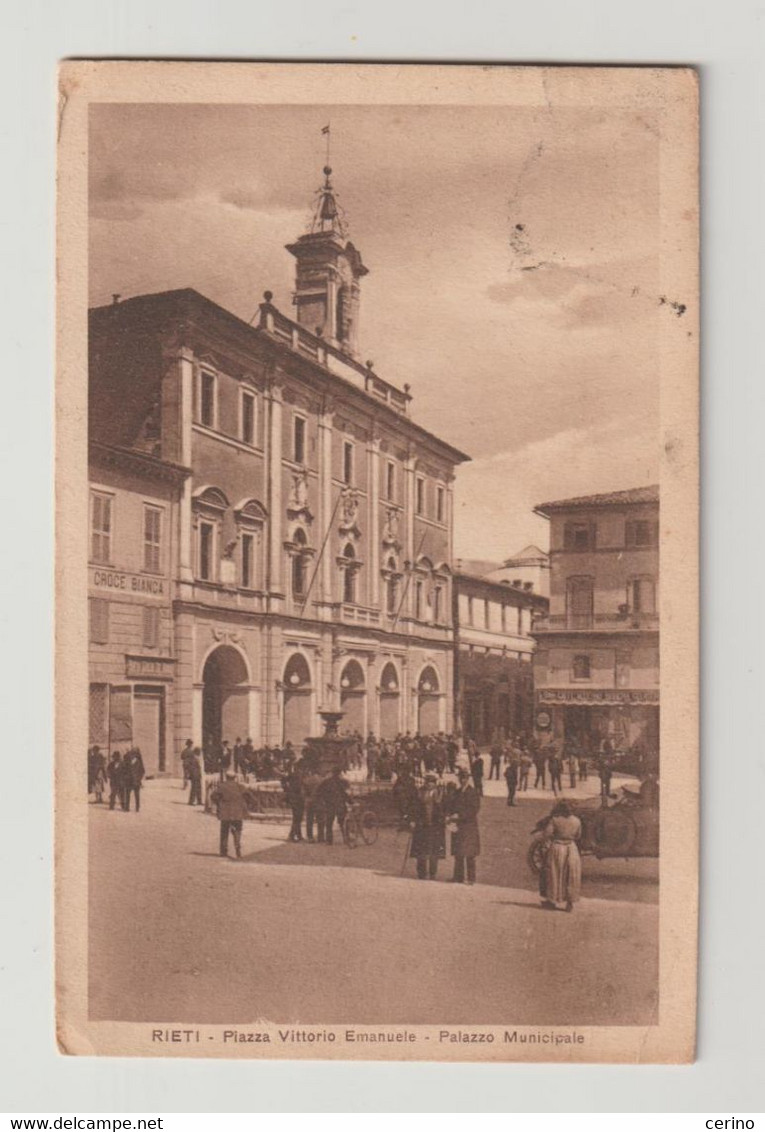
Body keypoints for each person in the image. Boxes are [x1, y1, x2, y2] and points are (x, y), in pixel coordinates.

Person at [539, 799, 582, 912]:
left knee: (554, 874)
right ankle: (570, 903)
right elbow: (578, 835)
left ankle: (552, 900)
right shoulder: (577, 821)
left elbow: (547, 834)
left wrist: (546, 846)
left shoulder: (555, 820)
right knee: (571, 876)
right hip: (571, 849)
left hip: (558, 848)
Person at [405, 772, 446, 880]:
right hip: (421, 825)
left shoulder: (439, 793)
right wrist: (412, 820)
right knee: (421, 850)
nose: (429, 784)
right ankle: (421, 872)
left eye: (432, 782)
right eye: (428, 782)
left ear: (435, 783)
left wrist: (443, 819)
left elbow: (444, 809)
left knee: (434, 850)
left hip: (435, 826)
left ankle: (433, 873)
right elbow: (414, 807)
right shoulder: (420, 793)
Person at [448, 767, 481, 884]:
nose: (462, 780)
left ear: (468, 779)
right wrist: (450, 815)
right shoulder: (457, 792)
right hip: (458, 826)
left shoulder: (472, 792)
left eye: (465, 778)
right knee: (458, 852)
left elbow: (474, 809)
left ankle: (471, 878)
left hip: (469, 826)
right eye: (461, 778)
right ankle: (458, 877)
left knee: (469, 853)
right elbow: (452, 806)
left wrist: (460, 816)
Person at [210, 772, 252, 858]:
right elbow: (249, 796)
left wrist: (219, 803)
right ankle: (237, 848)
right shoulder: (240, 787)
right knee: (237, 831)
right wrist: (244, 805)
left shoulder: (222, 786)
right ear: (235, 777)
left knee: (224, 831)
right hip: (237, 812)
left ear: (226, 777)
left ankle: (223, 851)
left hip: (225, 812)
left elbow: (213, 796)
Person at [315, 766, 350, 845]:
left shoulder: (326, 782)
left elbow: (318, 792)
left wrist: (323, 800)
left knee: (329, 823)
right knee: (343, 823)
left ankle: (329, 840)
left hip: (330, 805)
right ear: (339, 773)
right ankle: (346, 838)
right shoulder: (342, 782)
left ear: (332, 773)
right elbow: (344, 794)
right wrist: (350, 801)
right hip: (340, 805)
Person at [283, 766, 305, 842]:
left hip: (295, 799)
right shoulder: (297, 776)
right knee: (297, 818)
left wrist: (286, 789)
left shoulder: (293, 776)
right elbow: (299, 788)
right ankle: (291, 836)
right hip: (297, 799)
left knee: (298, 818)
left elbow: (283, 780)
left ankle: (298, 835)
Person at [122, 747, 145, 812]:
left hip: (136, 781)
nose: (132, 756)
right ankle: (127, 808)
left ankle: (137, 808)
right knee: (127, 794)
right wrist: (125, 776)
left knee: (137, 795)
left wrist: (139, 778)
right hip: (128, 780)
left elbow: (142, 771)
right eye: (131, 754)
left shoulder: (139, 762)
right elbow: (124, 770)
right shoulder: (127, 761)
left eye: (133, 754)